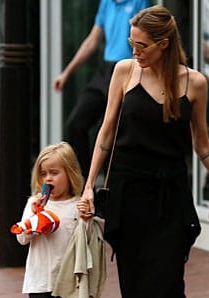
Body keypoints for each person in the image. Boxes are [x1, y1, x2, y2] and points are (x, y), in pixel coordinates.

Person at [80, 5, 209, 298]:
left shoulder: (195, 84)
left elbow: (202, 144)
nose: (134, 51)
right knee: (135, 281)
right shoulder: (123, 72)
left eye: (142, 45)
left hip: (171, 192)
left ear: (164, 44)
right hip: (129, 190)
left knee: (169, 279)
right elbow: (106, 133)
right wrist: (88, 186)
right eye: (132, 43)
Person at [15, 142, 95, 298]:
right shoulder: (34, 204)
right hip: (38, 280)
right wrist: (33, 218)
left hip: (67, 281)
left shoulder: (77, 206)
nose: (48, 178)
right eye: (43, 173)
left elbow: (87, 240)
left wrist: (87, 219)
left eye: (54, 173)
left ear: (70, 174)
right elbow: (22, 240)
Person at [53, 0, 149, 178]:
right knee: (76, 124)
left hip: (130, 69)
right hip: (106, 71)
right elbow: (92, 41)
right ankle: (81, 182)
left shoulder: (140, 2)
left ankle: (109, 188)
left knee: (117, 134)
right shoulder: (106, 3)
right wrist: (66, 73)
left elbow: (145, 40)